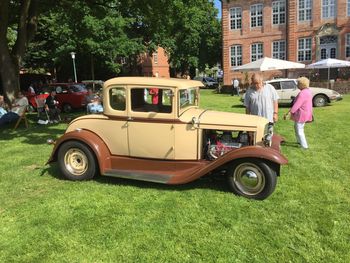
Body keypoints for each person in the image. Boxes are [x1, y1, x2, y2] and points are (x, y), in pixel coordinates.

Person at [283, 77, 313, 149]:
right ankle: (299, 142)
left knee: (299, 130)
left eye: (298, 83)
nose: (297, 85)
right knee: (298, 128)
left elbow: (297, 105)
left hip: (301, 114)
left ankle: (304, 146)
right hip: (306, 112)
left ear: (302, 84)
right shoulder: (308, 91)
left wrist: (289, 113)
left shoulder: (302, 93)